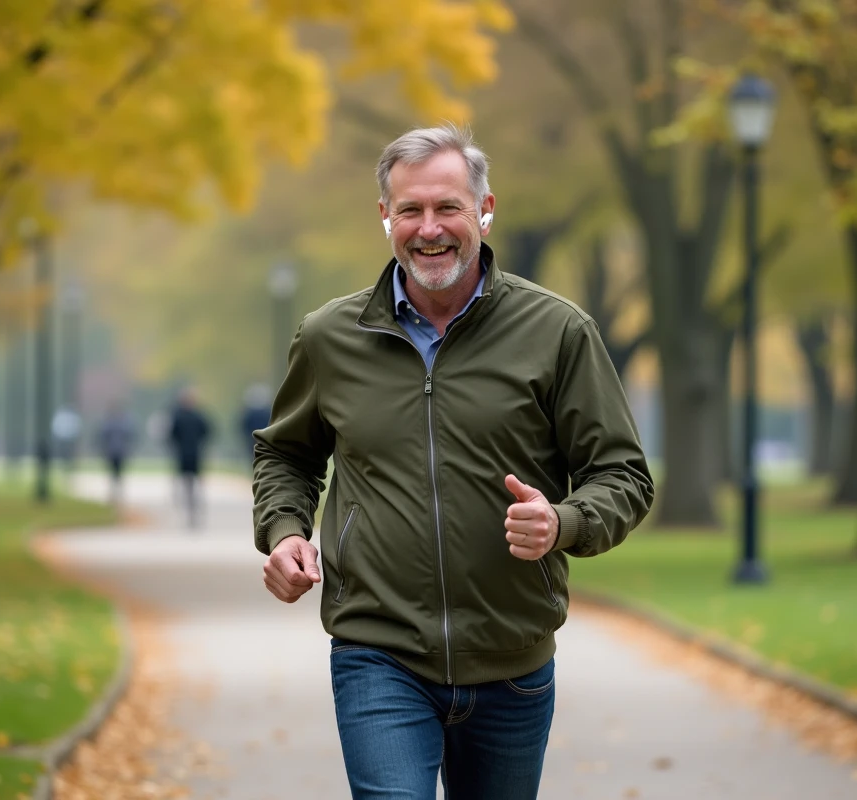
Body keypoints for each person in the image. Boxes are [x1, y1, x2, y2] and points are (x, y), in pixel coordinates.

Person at [251, 124, 654, 799]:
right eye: (410, 209)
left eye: (448, 207)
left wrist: (562, 522)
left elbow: (624, 474)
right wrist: (285, 531)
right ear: (386, 216)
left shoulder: (557, 332)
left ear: (484, 209)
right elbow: (286, 454)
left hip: (513, 661)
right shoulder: (330, 338)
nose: (429, 228)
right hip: (378, 653)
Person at [168, 389, 214, 528]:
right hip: (191, 453)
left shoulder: (180, 416)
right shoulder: (196, 416)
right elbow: (207, 431)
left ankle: (193, 504)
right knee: (191, 481)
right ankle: (193, 505)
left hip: (188, 453)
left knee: (190, 481)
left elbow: (172, 435)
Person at [96, 402, 135, 505]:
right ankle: (114, 491)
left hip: (119, 451)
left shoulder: (120, 423)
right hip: (112, 451)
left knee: (118, 472)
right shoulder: (112, 424)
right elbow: (102, 437)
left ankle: (117, 491)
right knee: (114, 472)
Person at [238, 383, 273, 469]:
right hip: (264, 439)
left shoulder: (249, 412)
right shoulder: (267, 412)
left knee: (254, 458)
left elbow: (243, 425)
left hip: (254, 439)